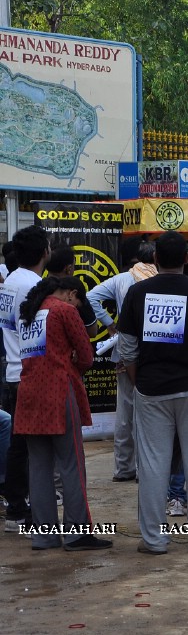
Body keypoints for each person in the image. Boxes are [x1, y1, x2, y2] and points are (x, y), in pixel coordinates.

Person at [118, 231, 188, 554]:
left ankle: (153, 540)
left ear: (155, 260)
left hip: (151, 390)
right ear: (186, 259)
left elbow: (127, 349)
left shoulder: (137, 293)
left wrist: (140, 379)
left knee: (153, 464)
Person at [16, 276, 111, 551]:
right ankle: (77, 533)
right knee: (71, 464)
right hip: (58, 390)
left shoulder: (28, 312)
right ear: (71, 294)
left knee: (39, 468)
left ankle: (44, 536)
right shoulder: (64, 311)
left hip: (28, 392)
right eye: (79, 300)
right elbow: (86, 355)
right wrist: (72, 366)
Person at [87, 242, 157, 483]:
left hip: (123, 351)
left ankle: (123, 468)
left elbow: (90, 297)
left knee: (124, 413)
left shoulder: (121, 279)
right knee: (147, 412)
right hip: (150, 353)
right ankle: (143, 468)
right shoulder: (158, 280)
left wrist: (109, 323)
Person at [2, 224, 51, 532]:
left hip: (13, 369)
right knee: (31, 448)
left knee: (19, 445)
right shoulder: (33, 285)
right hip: (27, 373)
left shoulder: (11, 281)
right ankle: (20, 509)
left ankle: (17, 505)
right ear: (44, 251)